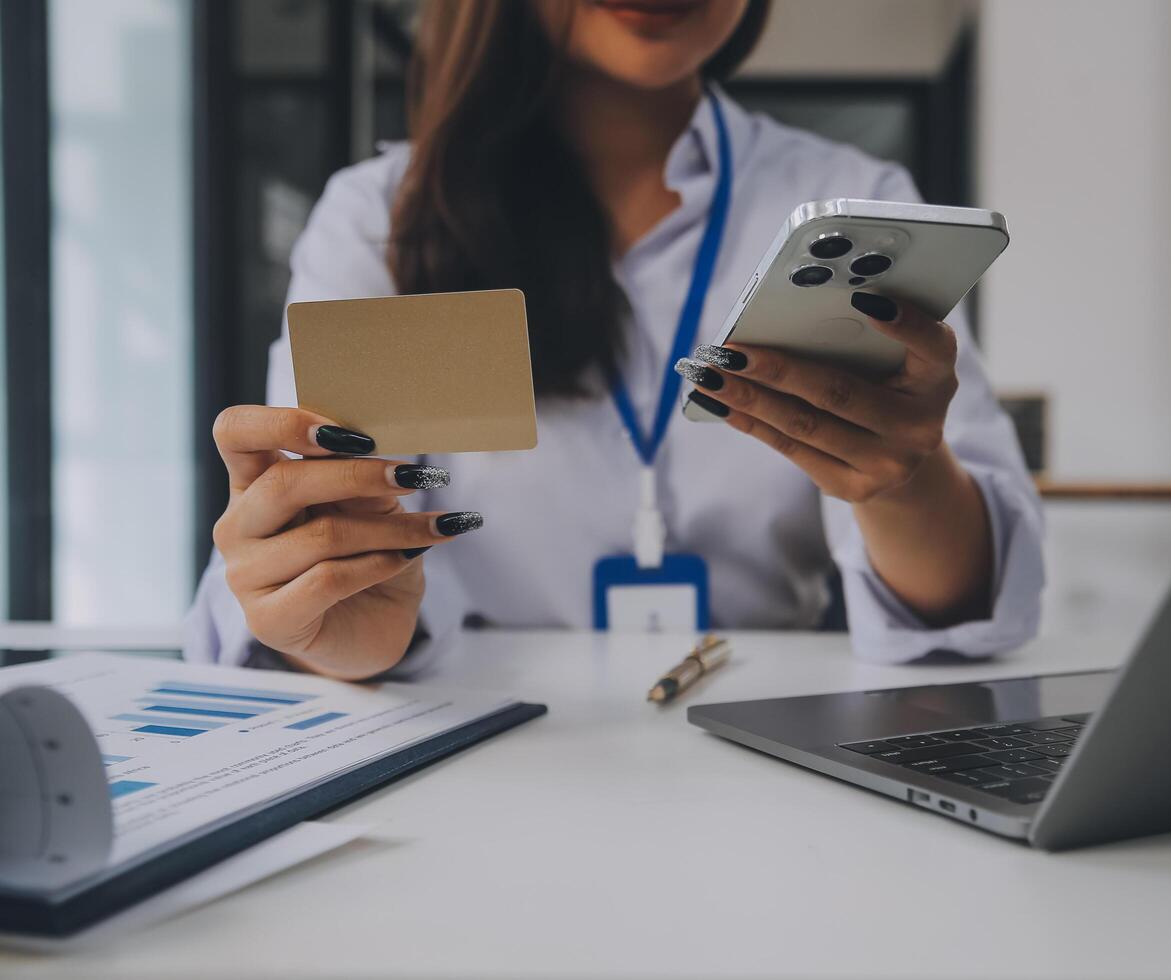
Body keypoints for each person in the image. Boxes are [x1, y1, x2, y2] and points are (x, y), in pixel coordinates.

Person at [186, 0, 1043, 681]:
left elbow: (969, 613)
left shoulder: (848, 200)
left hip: (761, 740)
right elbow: (330, 562)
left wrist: (905, 479)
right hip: (481, 747)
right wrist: (331, 622)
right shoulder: (381, 220)